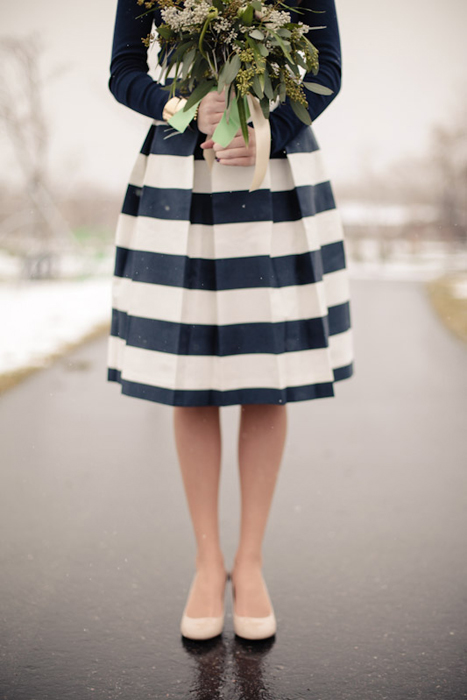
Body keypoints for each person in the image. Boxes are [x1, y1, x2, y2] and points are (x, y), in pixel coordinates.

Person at [107, 0, 354, 641]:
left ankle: (249, 563)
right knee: (191, 371)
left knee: (262, 366)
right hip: (182, 173)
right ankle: (206, 560)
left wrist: (266, 128)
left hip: (274, 165)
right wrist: (181, 107)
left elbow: (327, 67)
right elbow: (124, 68)